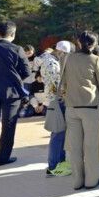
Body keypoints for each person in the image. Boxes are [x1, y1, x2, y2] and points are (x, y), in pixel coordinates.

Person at [61, 31, 99, 190]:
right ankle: (91, 180)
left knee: (74, 147)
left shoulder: (67, 58)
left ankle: (77, 181)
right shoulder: (96, 60)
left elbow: (62, 83)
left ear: (78, 42)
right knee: (90, 147)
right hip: (90, 107)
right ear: (95, 44)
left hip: (71, 107)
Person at [0, 21, 31, 166]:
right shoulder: (17, 49)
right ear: (13, 34)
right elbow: (26, 72)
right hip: (12, 92)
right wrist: (15, 78)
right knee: (8, 125)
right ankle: (3, 157)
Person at [39, 40, 72, 177]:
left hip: (55, 100)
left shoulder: (48, 59)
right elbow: (56, 84)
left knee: (60, 133)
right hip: (56, 101)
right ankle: (53, 166)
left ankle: (60, 161)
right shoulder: (52, 62)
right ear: (61, 51)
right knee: (58, 133)